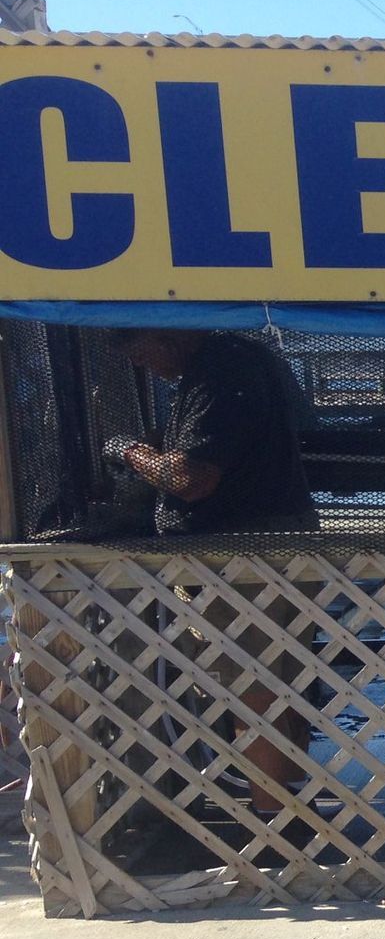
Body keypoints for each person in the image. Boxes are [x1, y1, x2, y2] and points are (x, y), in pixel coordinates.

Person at [104, 327, 318, 817]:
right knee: (284, 688)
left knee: (252, 695)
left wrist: (129, 452)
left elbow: (189, 478)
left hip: (236, 558)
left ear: (172, 336)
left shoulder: (220, 373)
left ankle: (274, 827)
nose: (143, 366)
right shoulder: (240, 362)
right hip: (283, 543)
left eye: (142, 350)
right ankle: (292, 813)